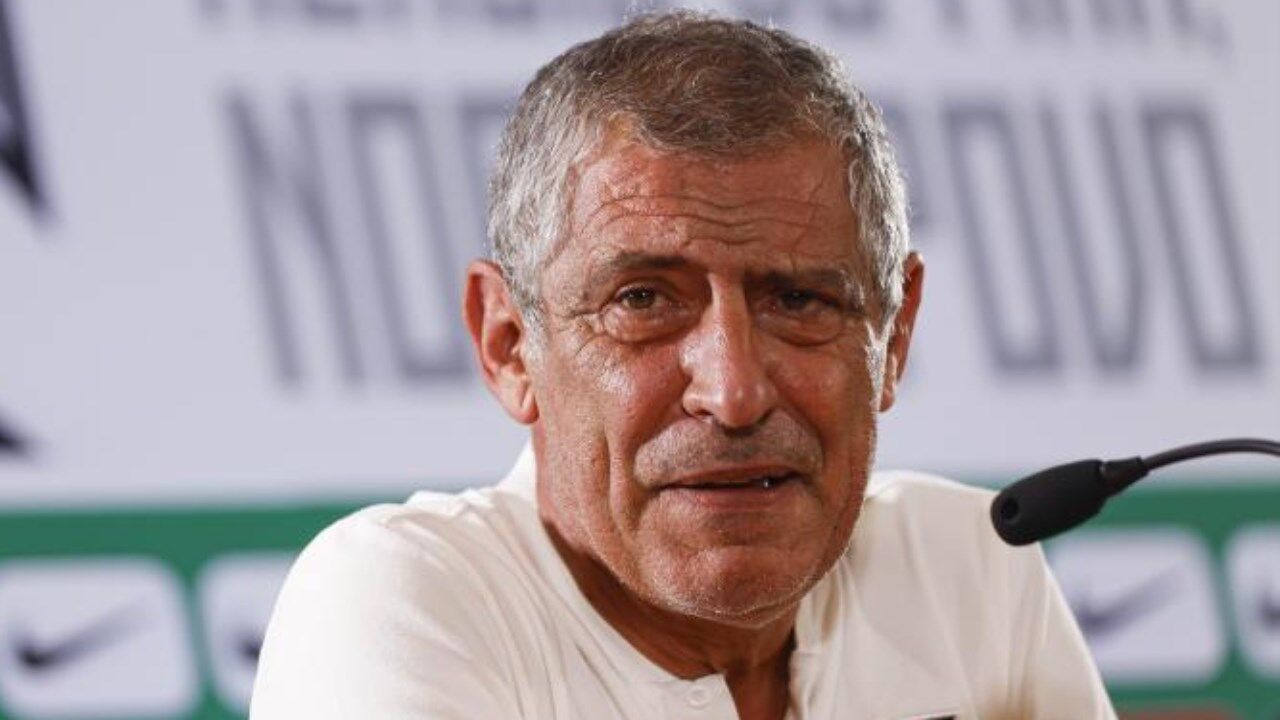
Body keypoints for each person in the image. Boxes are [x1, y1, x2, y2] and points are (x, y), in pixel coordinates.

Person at [250, 11, 1115, 720]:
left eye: (800, 300)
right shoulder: (397, 598)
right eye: (642, 301)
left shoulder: (970, 565)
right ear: (508, 344)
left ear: (893, 337)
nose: (734, 392)